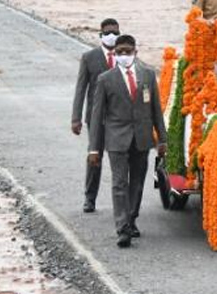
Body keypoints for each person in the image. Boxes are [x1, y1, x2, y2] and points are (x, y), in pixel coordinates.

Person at [87, 35, 167, 248]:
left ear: (135, 52)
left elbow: (156, 110)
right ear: (114, 54)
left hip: (141, 138)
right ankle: (122, 228)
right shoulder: (105, 79)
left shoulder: (148, 76)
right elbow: (97, 117)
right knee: (119, 183)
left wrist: (162, 140)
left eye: (127, 52)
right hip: (116, 140)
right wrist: (94, 148)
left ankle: (131, 218)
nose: (124, 55)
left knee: (138, 183)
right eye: (119, 52)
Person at [71, 17, 121, 213]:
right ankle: (89, 198)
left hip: (119, 119)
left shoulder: (125, 55)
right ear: (101, 35)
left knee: (120, 159)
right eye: (107, 32)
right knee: (94, 157)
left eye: (115, 33)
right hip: (96, 118)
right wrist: (76, 118)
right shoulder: (89, 58)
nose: (111, 36)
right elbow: (80, 89)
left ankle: (121, 200)